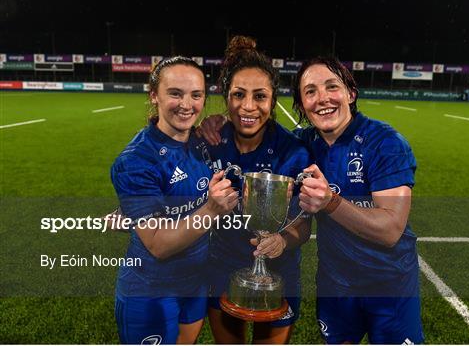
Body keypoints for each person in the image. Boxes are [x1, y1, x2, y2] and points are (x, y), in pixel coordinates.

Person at [292, 56, 424, 344]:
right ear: (302, 105)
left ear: (350, 94)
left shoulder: (386, 143)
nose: (322, 98)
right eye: (310, 91)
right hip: (335, 286)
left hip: (389, 286)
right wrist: (217, 126)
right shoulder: (302, 145)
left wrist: (330, 202)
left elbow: (390, 230)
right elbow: (253, 140)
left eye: (332, 87)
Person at [110, 56, 238, 344]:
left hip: (195, 284)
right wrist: (211, 210)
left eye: (196, 95)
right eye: (175, 93)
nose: (186, 104)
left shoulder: (203, 141)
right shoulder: (136, 161)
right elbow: (158, 245)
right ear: (154, 95)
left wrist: (222, 119)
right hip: (150, 290)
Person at [197, 35, 313, 344]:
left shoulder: (293, 151)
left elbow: (302, 224)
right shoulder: (210, 141)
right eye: (238, 95)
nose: (248, 106)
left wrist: (283, 241)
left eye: (260, 96)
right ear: (226, 97)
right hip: (222, 264)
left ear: (273, 100)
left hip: (280, 271)